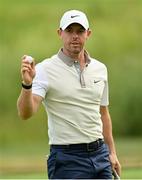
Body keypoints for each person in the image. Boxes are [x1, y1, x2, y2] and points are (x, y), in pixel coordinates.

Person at [17, 9, 121, 179]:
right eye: (69, 31)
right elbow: (25, 113)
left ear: (88, 34)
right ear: (60, 33)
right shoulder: (44, 69)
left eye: (80, 31)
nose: (75, 36)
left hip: (100, 154)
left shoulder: (100, 69)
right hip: (67, 158)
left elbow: (103, 113)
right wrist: (27, 85)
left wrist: (112, 152)